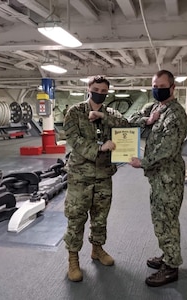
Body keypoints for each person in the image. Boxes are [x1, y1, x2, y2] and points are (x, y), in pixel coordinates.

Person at [63, 75, 129, 282]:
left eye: (103, 90)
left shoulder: (111, 113)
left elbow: (126, 126)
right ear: (89, 88)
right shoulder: (74, 112)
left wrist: (102, 117)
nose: (100, 93)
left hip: (103, 174)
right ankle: (73, 259)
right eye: (96, 89)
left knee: (100, 216)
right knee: (76, 217)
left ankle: (97, 249)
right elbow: (73, 139)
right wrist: (99, 147)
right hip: (80, 175)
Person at [128, 70, 187, 287]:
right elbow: (130, 121)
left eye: (162, 86)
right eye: (154, 85)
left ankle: (172, 267)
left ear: (172, 88)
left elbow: (167, 150)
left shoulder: (176, 114)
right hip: (158, 177)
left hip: (168, 177)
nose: (157, 89)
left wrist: (142, 162)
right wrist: (148, 119)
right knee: (160, 218)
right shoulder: (155, 107)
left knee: (167, 220)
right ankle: (167, 254)